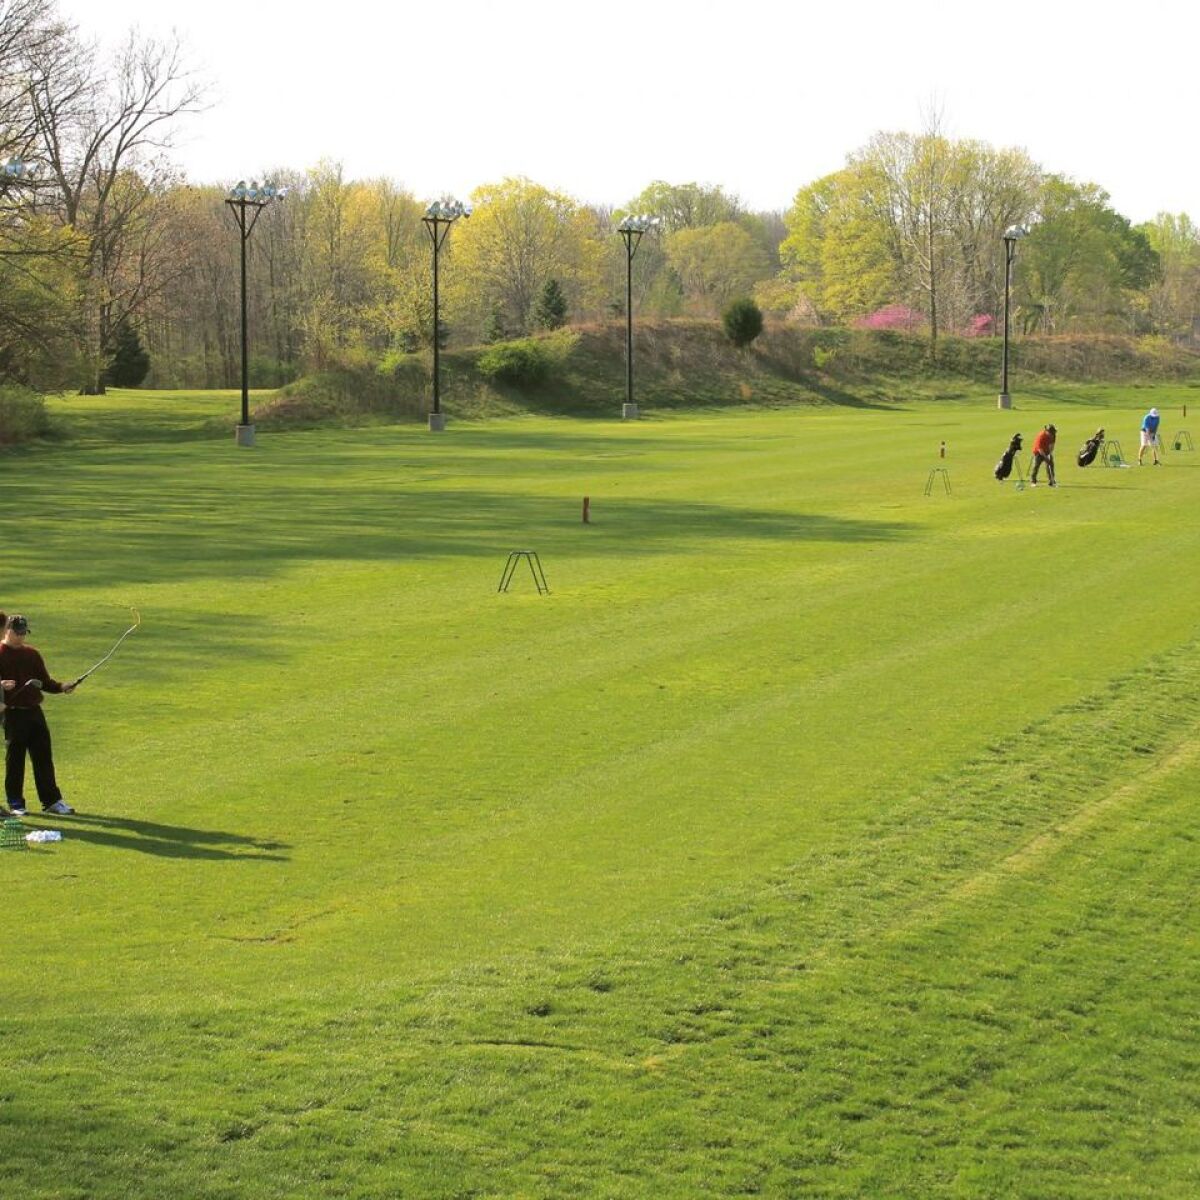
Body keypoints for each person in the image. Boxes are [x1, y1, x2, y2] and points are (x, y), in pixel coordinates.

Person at [0, 613, 77, 816]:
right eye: (18, 633)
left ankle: (52, 800)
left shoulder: (32, 654)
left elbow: (44, 682)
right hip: (12, 714)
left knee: (43, 756)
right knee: (15, 760)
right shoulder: (0, 653)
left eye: (24, 632)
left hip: (35, 711)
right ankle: (16, 803)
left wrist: (62, 686)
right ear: (7, 630)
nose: (21, 636)